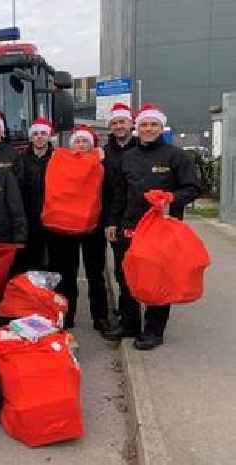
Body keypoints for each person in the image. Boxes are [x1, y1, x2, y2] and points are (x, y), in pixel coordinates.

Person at [105, 104, 200, 350]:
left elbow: (192, 188)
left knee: (157, 279)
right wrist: (112, 222)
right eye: (144, 125)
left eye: (153, 125)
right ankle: (130, 324)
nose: (148, 129)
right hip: (130, 226)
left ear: (161, 127)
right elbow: (119, 193)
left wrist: (171, 198)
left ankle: (153, 330)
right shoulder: (128, 157)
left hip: (161, 229)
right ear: (138, 128)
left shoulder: (176, 156)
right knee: (126, 276)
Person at [45, 127, 110, 331]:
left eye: (85, 142)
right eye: (77, 142)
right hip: (64, 226)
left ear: (92, 146)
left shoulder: (99, 164)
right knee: (67, 274)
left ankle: (100, 317)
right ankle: (67, 314)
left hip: (93, 226)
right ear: (71, 144)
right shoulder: (59, 161)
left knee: (95, 273)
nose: (81, 145)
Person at [101, 103, 139, 323]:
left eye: (122, 121)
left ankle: (132, 318)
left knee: (132, 270)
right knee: (119, 270)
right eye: (114, 123)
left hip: (133, 219)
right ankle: (127, 316)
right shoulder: (104, 153)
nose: (118, 126)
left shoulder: (140, 149)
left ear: (131, 123)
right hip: (108, 218)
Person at [18, 117, 55, 271]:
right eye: (36, 134)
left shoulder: (58, 157)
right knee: (31, 259)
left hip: (52, 216)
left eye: (43, 133)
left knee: (53, 259)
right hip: (29, 215)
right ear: (31, 137)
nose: (39, 137)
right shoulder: (21, 159)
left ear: (48, 136)